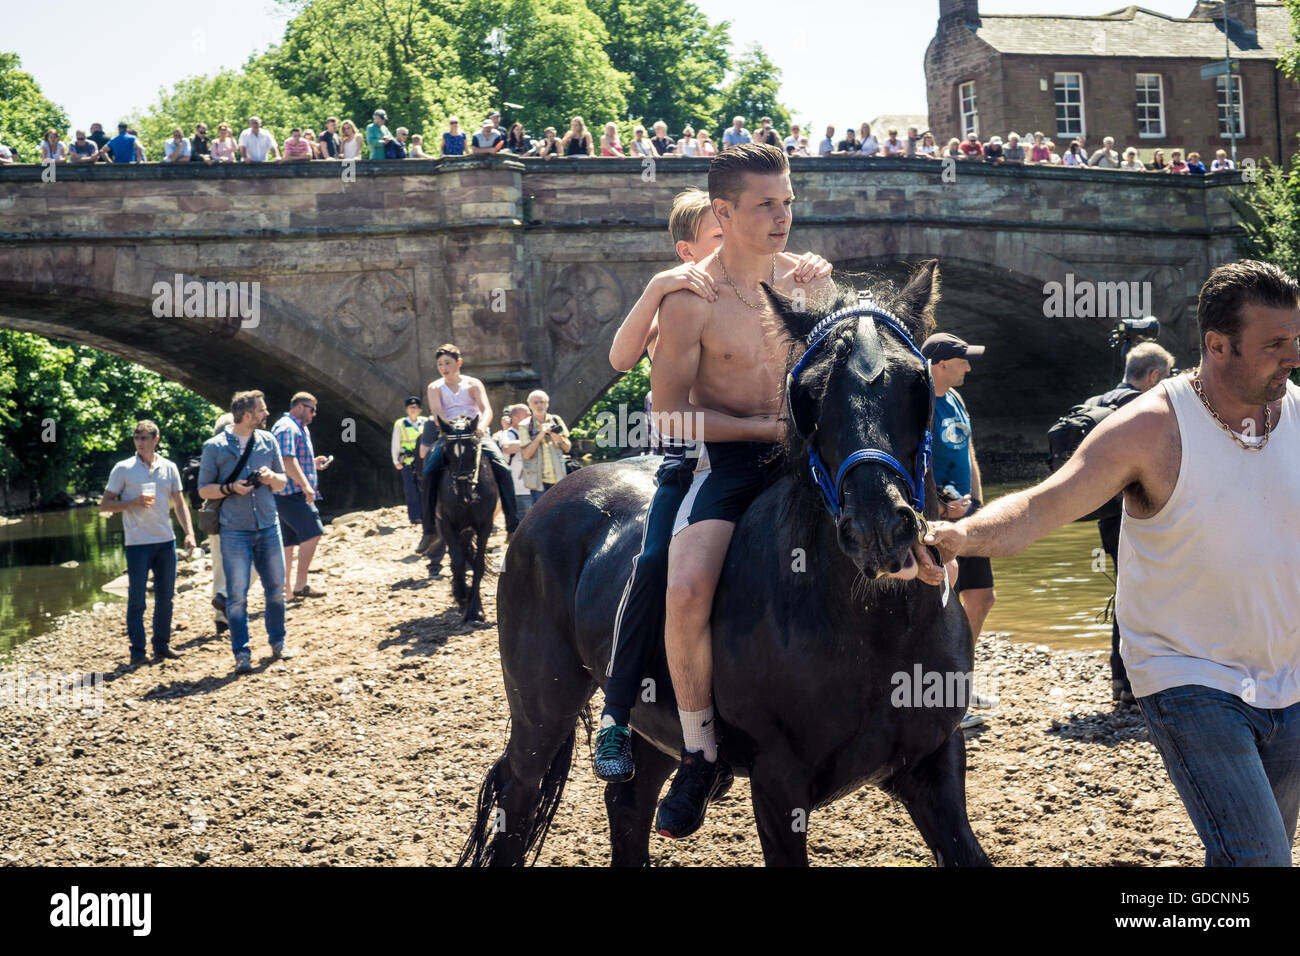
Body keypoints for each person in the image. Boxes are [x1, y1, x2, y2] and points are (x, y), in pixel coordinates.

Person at [925, 259, 1300, 867]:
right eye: (1276, 344)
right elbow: (1040, 509)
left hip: (1289, 676)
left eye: (1296, 339)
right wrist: (958, 537)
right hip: (1189, 678)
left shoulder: (1297, 415)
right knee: (1259, 864)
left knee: (1250, 859)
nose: (1293, 355)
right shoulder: (1150, 428)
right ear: (1217, 345)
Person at [594, 184, 831, 782]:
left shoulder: (785, 279)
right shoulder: (686, 292)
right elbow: (623, 363)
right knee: (655, 569)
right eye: (718, 238)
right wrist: (655, 286)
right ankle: (619, 713)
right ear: (693, 247)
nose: (737, 245)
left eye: (786, 206)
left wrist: (820, 286)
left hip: (778, 449)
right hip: (694, 457)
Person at [1071, 343, 1175, 705]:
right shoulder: (1144, 409)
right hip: (1142, 517)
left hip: (1106, 516)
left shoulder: (1097, 404)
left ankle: (1122, 679)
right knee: (1152, 594)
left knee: (1126, 592)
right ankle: (1143, 681)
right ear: (1154, 376)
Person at [197, 390, 294, 674]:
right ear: (247, 415)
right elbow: (204, 489)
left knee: (276, 590)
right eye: (262, 410)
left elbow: (282, 483)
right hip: (233, 530)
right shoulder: (214, 447)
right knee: (237, 596)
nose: (266, 414)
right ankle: (242, 653)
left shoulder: (269, 441)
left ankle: (278, 642)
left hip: (268, 525)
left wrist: (271, 477)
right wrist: (231, 488)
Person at [923, 333, 995, 690]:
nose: (968, 366)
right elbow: (911, 460)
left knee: (982, 598)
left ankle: (960, 675)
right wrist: (936, 504)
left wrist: (978, 505)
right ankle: (937, 684)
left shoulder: (954, 397)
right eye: (963, 360)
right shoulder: (919, 402)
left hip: (968, 518)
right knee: (940, 598)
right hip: (933, 519)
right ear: (941, 365)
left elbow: (968, 452)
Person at [101, 420, 195, 665]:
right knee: (137, 599)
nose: (140, 442)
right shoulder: (123, 468)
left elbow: (179, 502)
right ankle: (138, 652)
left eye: (145, 438)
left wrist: (189, 533)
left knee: (166, 597)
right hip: (138, 543)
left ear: (156, 439)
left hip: (166, 541)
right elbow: (105, 504)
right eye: (137, 438)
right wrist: (132, 503)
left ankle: (162, 645)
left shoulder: (169, 467)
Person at [416, 344, 521, 554]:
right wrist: (452, 430)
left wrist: (481, 428)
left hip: (475, 434)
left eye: (448, 363)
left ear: (459, 363)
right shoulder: (435, 388)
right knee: (428, 472)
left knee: (503, 468)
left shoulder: (473, 384)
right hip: (449, 435)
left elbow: (486, 409)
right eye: (440, 364)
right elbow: (438, 413)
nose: (444, 368)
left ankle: (512, 525)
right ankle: (429, 530)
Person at [272, 392, 329, 601]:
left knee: (288, 543)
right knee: (314, 532)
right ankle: (301, 583)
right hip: (291, 493)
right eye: (311, 409)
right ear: (299, 407)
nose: (314, 414)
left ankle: (286, 592)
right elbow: (286, 460)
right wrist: (306, 485)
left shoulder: (297, 428)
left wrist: (312, 464)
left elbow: (291, 459)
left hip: (285, 493)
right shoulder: (288, 427)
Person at [494, 404, 534, 523]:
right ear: (515, 419)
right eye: (527, 415)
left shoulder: (533, 432)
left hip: (536, 488)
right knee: (524, 524)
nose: (531, 417)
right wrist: (534, 440)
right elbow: (507, 447)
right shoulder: (508, 434)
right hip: (520, 490)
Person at [393, 396, 427, 525]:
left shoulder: (425, 422)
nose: (414, 410)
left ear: (420, 410)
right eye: (411, 407)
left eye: (416, 407)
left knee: (424, 488)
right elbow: (395, 443)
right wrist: (396, 461)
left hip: (423, 460)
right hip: (407, 460)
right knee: (410, 490)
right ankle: (415, 516)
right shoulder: (400, 424)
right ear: (406, 409)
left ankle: (426, 514)